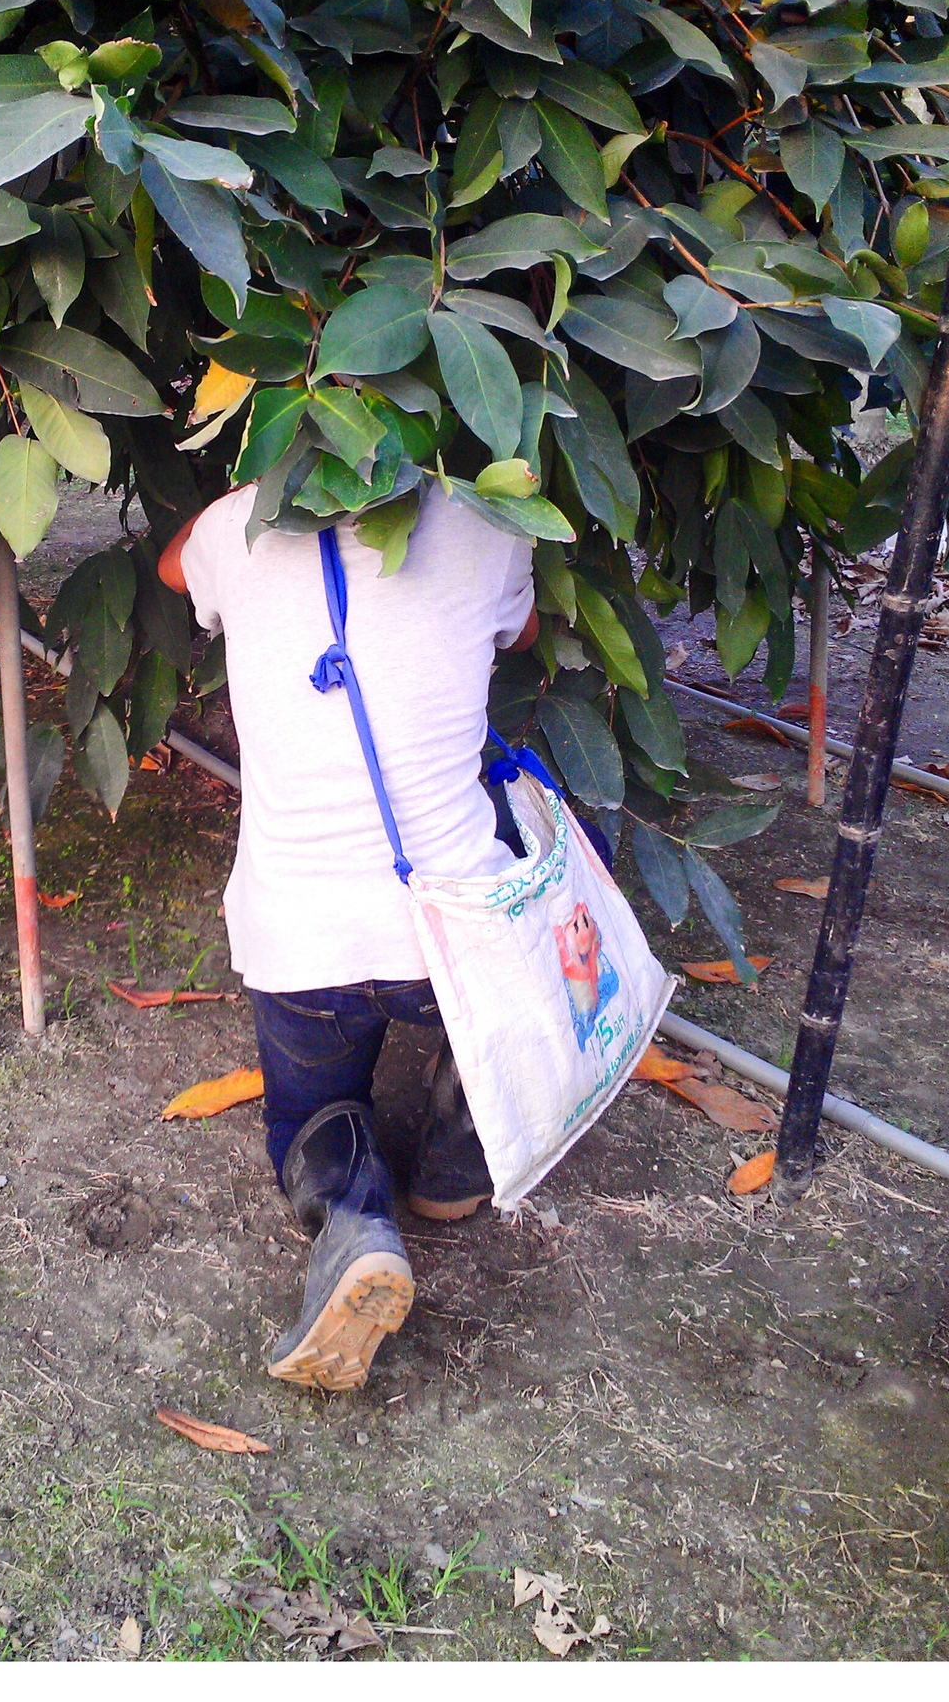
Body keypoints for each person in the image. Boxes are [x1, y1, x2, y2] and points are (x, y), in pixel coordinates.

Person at [158, 479, 540, 1393]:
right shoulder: (488, 521)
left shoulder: (237, 527)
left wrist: (251, 487)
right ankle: (460, 1146)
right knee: (526, 841)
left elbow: (172, 565)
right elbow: (523, 633)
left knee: (309, 1116)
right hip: (450, 934)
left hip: (301, 943)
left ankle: (352, 1213)